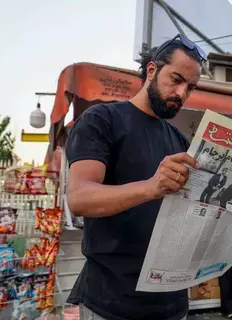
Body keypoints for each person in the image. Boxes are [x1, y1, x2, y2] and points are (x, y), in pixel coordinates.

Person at [65, 34, 207, 320]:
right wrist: (151, 187)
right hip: (111, 304)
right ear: (152, 70)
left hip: (173, 305)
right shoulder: (102, 120)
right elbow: (79, 198)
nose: (181, 93)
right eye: (176, 79)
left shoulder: (179, 140)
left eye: (190, 87)